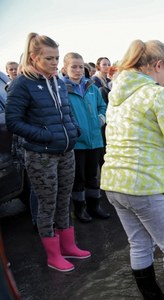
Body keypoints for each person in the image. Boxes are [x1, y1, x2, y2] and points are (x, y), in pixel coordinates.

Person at [101, 39, 164, 299]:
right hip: (147, 184)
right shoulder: (160, 94)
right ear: (157, 65)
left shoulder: (117, 96)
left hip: (114, 183)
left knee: (139, 244)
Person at [5, 32, 89, 272]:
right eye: (50, 58)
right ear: (34, 58)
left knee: (65, 200)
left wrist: (74, 130)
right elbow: (13, 121)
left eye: (57, 58)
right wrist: (46, 135)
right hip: (41, 155)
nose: (55, 63)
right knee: (47, 204)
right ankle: (53, 256)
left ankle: (68, 246)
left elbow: (66, 111)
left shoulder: (57, 81)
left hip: (66, 150)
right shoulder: (22, 84)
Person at [62, 52, 109, 223]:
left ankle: (94, 206)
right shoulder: (62, 89)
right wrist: (74, 130)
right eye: (73, 66)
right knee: (78, 177)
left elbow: (102, 106)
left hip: (95, 139)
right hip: (77, 143)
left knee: (93, 175)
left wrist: (101, 119)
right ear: (65, 69)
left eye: (81, 66)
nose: (78, 70)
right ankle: (79, 209)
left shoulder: (92, 88)